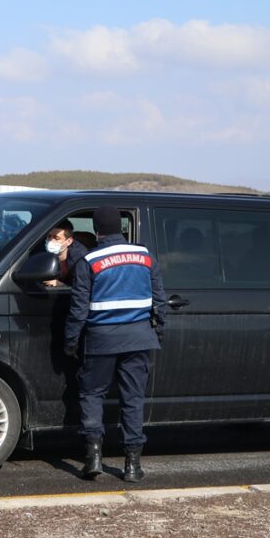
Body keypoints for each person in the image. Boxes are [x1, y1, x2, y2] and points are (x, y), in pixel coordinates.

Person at [63, 205, 167, 482]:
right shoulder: (145, 256)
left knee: (92, 394)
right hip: (139, 338)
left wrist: (71, 341)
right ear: (120, 227)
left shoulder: (89, 260)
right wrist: (158, 331)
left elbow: (78, 309)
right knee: (132, 400)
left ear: (96, 230)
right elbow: (159, 300)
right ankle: (132, 465)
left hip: (101, 340)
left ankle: (93, 458)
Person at [43, 219, 89, 287]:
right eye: (49, 236)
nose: (51, 241)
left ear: (69, 241)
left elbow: (82, 287)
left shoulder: (80, 258)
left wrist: (61, 285)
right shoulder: (41, 252)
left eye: (56, 238)